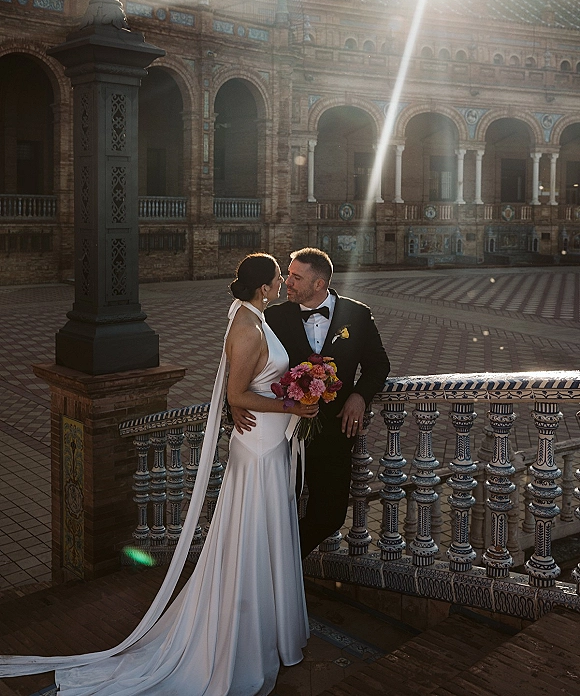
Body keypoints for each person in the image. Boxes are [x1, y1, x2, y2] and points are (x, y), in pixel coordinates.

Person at [0, 253, 314, 696]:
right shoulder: (245, 328)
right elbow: (236, 392)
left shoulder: (256, 318)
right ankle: (241, 636)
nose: (283, 282)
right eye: (279, 277)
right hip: (258, 449)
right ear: (264, 286)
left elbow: (247, 390)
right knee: (253, 533)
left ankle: (273, 627)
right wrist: (291, 405)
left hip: (267, 440)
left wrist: (291, 388)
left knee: (265, 531)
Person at [232, 248, 390, 558]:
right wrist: (235, 402)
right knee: (274, 511)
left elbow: (379, 365)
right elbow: (244, 365)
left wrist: (359, 396)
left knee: (330, 515)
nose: (287, 282)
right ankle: (268, 575)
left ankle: (279, 563)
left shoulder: (357, 315)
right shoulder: (273, 317)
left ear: (319, 284)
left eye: (295, 277)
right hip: (281, 433)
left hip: (334, 433)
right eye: (287, 275)